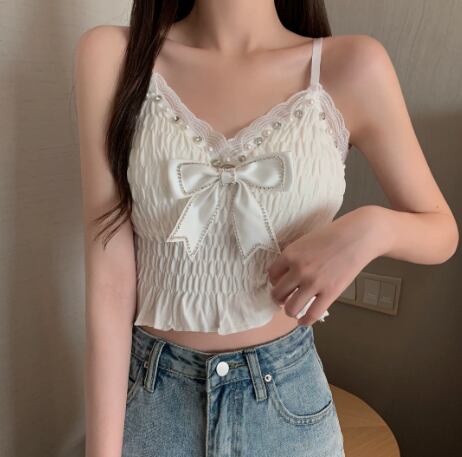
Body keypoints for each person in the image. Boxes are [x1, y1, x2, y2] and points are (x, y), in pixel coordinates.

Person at [74, 1, 459, 456]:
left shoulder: (353, 66)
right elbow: (110, 284)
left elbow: (441, 231)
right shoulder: (112, 56)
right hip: (153, 407)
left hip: (286, 412)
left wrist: (372, 228)